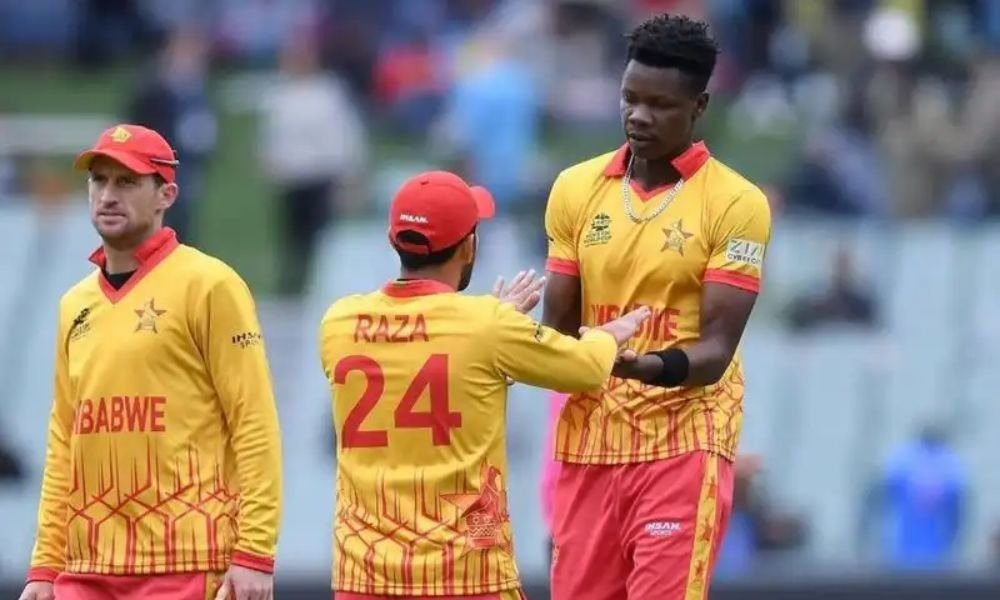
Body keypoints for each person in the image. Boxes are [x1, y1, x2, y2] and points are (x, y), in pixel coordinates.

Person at [318, 170, 650, 600]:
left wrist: (485, 330)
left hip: (365, 576)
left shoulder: (339, 322)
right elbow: (585, 368)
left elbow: (415, 355)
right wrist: (609, 335)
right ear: (469, 246)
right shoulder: (486, 325)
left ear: (392, 239)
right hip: (467, 572)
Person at [542, 14, 772, 600]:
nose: (638, 116)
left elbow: (715, 351)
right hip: (590, 444)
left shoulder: (737, 203)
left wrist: (637, 365)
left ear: (699, 106)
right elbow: (558, 328)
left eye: (660, 105)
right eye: (630, 98)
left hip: (682, 442)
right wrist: (508, 336)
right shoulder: (575, 188)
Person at [19, 124, 282, 600]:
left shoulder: (210, 285)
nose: (108, 195)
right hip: (86, 569)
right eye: (99, 180)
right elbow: (64, 442)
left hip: (184, 563)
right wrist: (45, 566)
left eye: (127, 182)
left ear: (166, 195)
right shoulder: (74, 304)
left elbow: (254, 423)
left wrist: (255, 552)